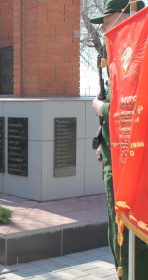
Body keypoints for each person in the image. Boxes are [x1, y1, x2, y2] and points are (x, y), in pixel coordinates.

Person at [90, 1, 148, 279]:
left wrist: (101, 109)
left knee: (130, 241)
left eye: (108, 19)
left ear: (129, 16)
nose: (103, 27)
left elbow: (132, 107)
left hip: (130, 170)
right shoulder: (123, 54)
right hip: (118, 162)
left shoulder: (137, 52)